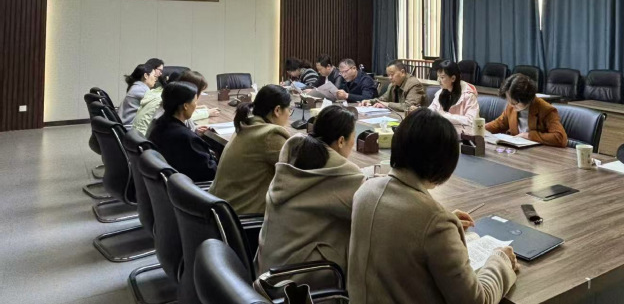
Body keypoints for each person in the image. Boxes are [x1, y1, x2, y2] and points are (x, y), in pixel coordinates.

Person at [348, 109, 518, 303]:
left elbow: (402, 227)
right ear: (444, 163)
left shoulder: (365, 190)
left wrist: (440, 224)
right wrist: (500, 260)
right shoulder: (435, 223)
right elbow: (476, 300)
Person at [257, 105, 364, 277]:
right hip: (298, 280)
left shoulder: (294, 154)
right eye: (353, 137)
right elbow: (370, 211)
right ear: (341, 141)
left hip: (267, 269)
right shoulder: (343, 174)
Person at [210, 85, 293, 215]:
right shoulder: (270, 134)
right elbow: (298, 170)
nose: (289, 115)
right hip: (242, 217)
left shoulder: (246, 124)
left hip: (222, 210)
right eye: (289, 109)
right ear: (277, 110)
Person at [148, 81, 217, 182]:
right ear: (185, 106)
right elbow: (210, 172)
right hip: (189, 187)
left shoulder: (160, 124)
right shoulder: (185, 137)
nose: (196, 105)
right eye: (195, 102)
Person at [485, 73, 568, 147]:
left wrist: (529, 136)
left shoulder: (546, 110)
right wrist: (480, 127)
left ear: (527, 99)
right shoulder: (511, 107)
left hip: (539, 154)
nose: (511, 104)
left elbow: (560, 138)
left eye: (515, 102)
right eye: (509, 100)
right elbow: (499, 124)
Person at [428, 60, 479, 134]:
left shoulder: (468, 95)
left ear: (453, 78)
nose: (438, 80)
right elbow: (431, 110)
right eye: (438, 76)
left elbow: (471, 121)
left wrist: (445, 116)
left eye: (442, 77)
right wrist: (421, 111)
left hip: (462, 135)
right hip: (443, 132)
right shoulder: (440, 93)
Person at [362, 59, 427, 113]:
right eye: (388, 75)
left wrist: (387, 105)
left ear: (402, 72)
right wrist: (370, 101)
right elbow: (383, 99)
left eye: (392, 74)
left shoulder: (414, 84)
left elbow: (409, 106)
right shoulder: (392, 85)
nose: (390, 78)